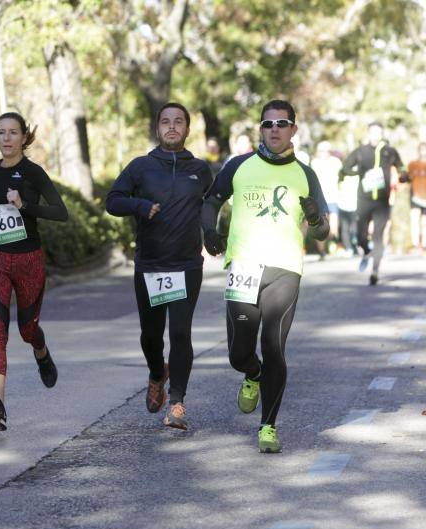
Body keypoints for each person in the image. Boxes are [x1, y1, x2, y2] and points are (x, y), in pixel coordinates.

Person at [201, 99, 330, 453]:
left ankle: (268, 427)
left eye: (282, 123)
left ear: (294, 129)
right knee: (239, 353)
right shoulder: (239, 166)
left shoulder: (306, 174)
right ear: (260, 129)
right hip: (243, 266)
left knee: (274, 347)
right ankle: (252, 374)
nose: (274, 129)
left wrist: (316, 218)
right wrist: (209, 234)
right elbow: (210, 201)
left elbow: (322, 233)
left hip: (285, 269)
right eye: (268, 124)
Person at [106, 103, 212, 430]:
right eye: (165, 122)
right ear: (157, 128)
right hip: (151, 265)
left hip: (187, 264)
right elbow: (113, 201)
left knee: (180, 333)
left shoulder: (201, 170)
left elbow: (211, 207)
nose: (171, 127)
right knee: (151, 336)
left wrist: (213, 235)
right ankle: (156, 372)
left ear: (187, 129)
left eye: (178, 122)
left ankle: (177, 402)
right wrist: (139, 205)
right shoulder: (141, 167)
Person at [0, 112, 68, 431]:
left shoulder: (34, 173)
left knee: (26, 330)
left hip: (28, 261)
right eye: (1, 133)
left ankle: (41, 350)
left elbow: (60, 212)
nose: (6, 138)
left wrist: (24, 206)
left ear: (24, 137)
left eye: (13, 133)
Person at [341, 121, 405, 285]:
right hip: (364, 200)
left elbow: (401, 167)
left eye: (379, 132)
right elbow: (346, 167)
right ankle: (366, 251)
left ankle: (375, 271)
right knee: (361, 236)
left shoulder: (389, 151)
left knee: (378, 236)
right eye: (373, 132)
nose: (376, 135)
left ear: (382, 133)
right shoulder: (361, 151)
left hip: (382, 202)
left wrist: (404, 175)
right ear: (368, 134)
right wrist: (357, 172)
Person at [310, 141, 342, 258]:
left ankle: (332, 243)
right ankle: (322, 251)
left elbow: (341, 177)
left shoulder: (336, 162)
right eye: (322, 150)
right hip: (318, 198)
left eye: (327, 151)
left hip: (333, 197)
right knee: (321, 226)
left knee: (333, 226)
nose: (324, 153)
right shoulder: (314, 163)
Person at [407, 142, 426, 250]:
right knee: (414, 219)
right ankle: (415, 243)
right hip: (415, 196)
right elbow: (407, 177)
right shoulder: (412, 164)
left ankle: (424, 243)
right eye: (422, 149)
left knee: (424, 221)